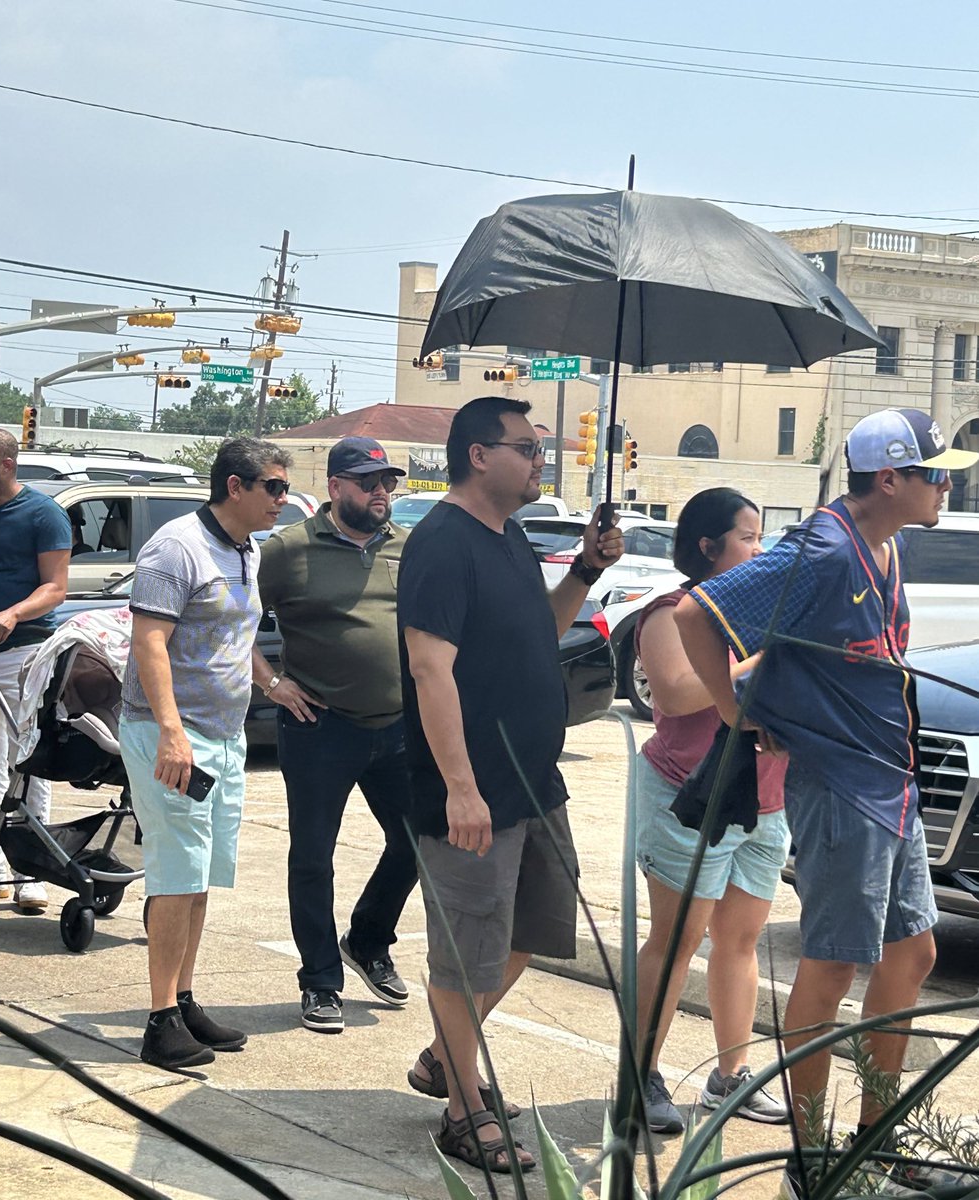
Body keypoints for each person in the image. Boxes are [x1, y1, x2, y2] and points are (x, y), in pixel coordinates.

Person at [673, 409, 978, 1199]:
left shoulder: (887, 545)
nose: (949, 485)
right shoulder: (823, 549)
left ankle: (879, 1138)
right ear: (890, 479)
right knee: (833, 963)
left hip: (890, 783)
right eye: (936, 474)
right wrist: (738, 714)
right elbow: (694, 616)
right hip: (842, 789)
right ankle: (812, 1162)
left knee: (914, 955)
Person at [397, 396, 623, 1173]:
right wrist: (461, 788)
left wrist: (587, 570)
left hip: (534, 784)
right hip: (475, 793)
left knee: (532, 932)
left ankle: (443, 1059)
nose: (539, 461)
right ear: (478, 455)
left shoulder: (512, 538)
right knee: (466, 955)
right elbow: (430, 668)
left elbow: (541, 629)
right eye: (526, 448)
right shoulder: (441, 544)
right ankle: (464, 1111)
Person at [120, 436, 292, 1071]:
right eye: (273, 487)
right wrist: (171, 731)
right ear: (234, 487)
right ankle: (160, 1019)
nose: (282, 498)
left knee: (199, 877)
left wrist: (271, 683)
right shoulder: (176, 548)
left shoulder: (247, 548)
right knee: (174, 876)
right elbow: (150, 642)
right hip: (172, 734)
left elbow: (234, 637)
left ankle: (183, 999)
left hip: (223, 734)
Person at [633, 488, 789, 1134]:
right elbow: (674, 692)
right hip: (689, 798)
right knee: (676, 941)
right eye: (748, 537)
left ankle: (732, 1074)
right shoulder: (670, 614)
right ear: (707, 546)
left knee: (740, 939)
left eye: (761, 535)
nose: (760, 548)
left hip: (766, 797)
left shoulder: (760, 614)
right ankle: (639, 1075)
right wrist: (763, 662)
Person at [252, 436, 418, 1034]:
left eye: (387, 482)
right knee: (313, 856)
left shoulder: (407, 546)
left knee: (419, 841)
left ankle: (368, 939)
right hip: (320, 728)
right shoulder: (288, 549)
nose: (381, 492)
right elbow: (232, 622)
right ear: (336, 487)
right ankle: (321, 980)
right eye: (368, 482)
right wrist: (273, 684)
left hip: (398, 726)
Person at [0, 429, 71, 913]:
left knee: (27, 763)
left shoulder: (44, 513)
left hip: (27, 652)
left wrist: (13, 613)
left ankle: (31, 871)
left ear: (7, 464)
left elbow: (56, 587)